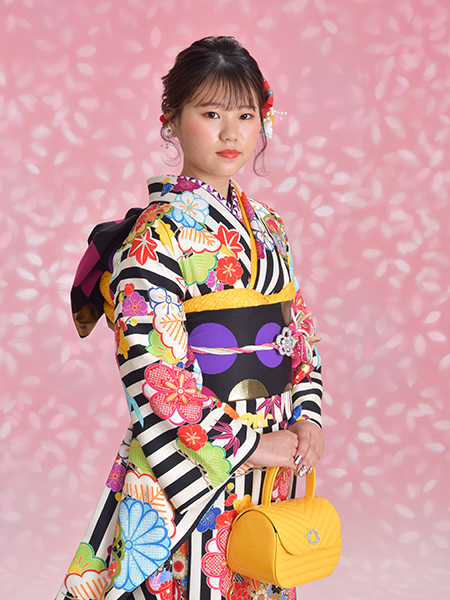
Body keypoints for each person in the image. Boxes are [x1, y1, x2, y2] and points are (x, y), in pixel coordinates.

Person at [57, 36, 324, 600]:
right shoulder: (153, 237)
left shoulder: (269, 225)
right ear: (172, 121)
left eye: (245, 115)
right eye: (211, 114)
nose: (231, 134)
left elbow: (297, 333)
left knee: (259, 567)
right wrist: (247, 445)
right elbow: (153, 369)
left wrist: (307, 417)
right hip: (195, 456)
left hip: (271, 455)